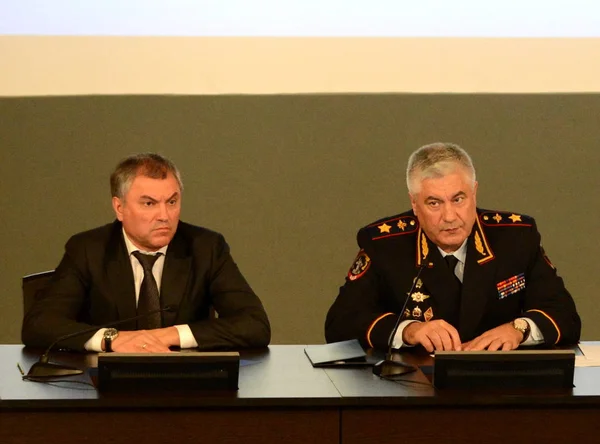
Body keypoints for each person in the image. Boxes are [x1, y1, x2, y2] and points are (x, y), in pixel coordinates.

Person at [325, 142, 580, 352]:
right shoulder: (385, 245)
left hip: (500, 388)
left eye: (458, 199)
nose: (449, 216)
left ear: (474, 193)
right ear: (414, 205)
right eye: (434, 203)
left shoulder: (516, 238)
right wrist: (409, 330)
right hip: (414, 390)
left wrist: (518, 329)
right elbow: (340, 323)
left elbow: (565, 315)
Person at [22, 153, 270, 353]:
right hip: (103, 390)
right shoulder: (89, 249)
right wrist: (112, 339)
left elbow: (254, 324)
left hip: (185, 386)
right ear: (119, 208)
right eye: (149, 203)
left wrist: (169, 335)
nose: (164, 216)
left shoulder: (206, 247)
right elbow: (39, 324)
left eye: (172, 202)